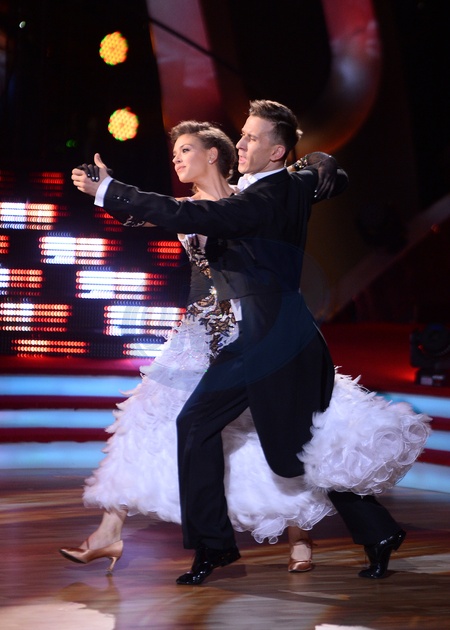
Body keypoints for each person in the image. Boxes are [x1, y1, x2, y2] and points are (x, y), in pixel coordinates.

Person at [71, 101, 430, 585]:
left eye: (251, 138)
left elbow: (183, 211)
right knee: (212, 427)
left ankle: (372, 532)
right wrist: (322, 163)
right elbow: (330, 178)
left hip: (272, 341)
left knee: (290, 448)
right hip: (264, 337)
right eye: (241, 135)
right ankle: (218, 544)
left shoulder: (258, 200)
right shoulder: (291, 184)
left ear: (276, 151)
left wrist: (109, 190)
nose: (239, 144)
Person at [60, 120, 336, 575]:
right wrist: (104, 189)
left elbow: (305, 182)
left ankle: (299, 533)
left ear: (213, 154)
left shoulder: (254, 197)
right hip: (199, 333)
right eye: (174, 153)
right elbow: (144, 212)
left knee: (273, 425)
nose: (176, 158)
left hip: (257, 328)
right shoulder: (185, 209)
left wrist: (322, 160)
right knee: (147, 420)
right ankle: (110, 531)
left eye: (185, 149)